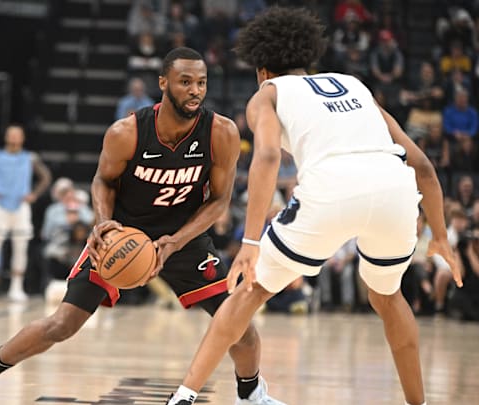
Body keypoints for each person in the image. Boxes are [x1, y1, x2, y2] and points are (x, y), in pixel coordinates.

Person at [0, 47, 284, 405]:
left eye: (201, 83)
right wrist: (104, 223)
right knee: (61, 324)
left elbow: (219, 201)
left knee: (240, 325)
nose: (195, 90)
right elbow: (102, 181)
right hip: (124, 237)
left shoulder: (220, 132)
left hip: (184, 237)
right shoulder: (126, 131)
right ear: (163, 83)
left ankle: (251, 395)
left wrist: (175, 241)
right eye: (185, 82)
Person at [165, 8, 463, 405]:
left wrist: (251, 243)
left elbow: (268, 157)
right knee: (388, 299)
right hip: (395, 188)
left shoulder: (268, 93)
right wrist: (440, 236)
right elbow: (422, 164)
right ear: (308, 59)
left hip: (331, 189)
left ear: (261, 70)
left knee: (249, 291)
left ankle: (184, 396)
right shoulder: (353, 84)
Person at [0, 124, 52, 301]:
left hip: (21, 206)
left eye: (18, 134)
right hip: (0, 204)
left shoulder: (29, 157)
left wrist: (34, 194)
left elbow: (46, 177)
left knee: (20, 247)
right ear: (6, 137)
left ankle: (16, 287)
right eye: (12, 134)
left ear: (23, 138)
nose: (15, 137)